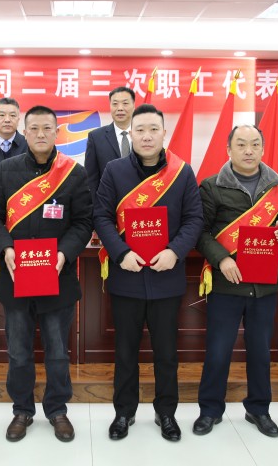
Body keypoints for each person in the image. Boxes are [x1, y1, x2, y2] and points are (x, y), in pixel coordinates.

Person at [0, 105, 92, 443]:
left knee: (57, 351)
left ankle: (57, 409)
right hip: (16, 276)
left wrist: (63, 254)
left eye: (47, 128)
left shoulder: (73, 173)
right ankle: (22, 410)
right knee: (18, 351)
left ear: (57, 132)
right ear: (24, 132)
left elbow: (83, 222)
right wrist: (6, 249)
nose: (41, 134)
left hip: (57, 278)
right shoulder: (6, 170)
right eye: (34, 128)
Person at [92, 104, 203, 442]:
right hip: (126, 276)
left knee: (166, 353)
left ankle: (166, 412)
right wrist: (121, 253)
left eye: (154, 129)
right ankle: (124, 412)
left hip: (166, 278)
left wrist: (175, 251)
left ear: (164, 133)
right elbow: (101, 216)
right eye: (140, 130)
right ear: (131, 133)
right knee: (125, 352)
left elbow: (194, 219)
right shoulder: (114, 170)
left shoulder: (182, 172)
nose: (147, 136)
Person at [194, 125, 278, 439]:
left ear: (262, 148)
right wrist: (222, 259)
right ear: (229, 149)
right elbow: (200, 232)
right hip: (227, 283)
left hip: (264, 284)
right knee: (218, 350)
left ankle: (259, 409)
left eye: (254, 144)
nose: (248, 150)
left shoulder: (276, 186)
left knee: (260, 351)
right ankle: (210, 410)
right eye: (241, 144)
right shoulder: (211, 186)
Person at [84, 86, 135, 201]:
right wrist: (95, 207)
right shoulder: (96, 137)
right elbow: (91, 179)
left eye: (125, 103)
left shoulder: (142, 135)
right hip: (107, 204)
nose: (120, 108)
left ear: (133, 106)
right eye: (115, 104)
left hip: (139, 202)